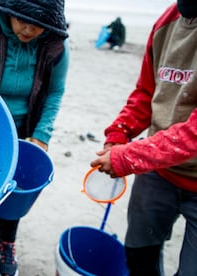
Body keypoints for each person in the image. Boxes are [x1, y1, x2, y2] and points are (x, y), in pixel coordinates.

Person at [0, 0, 69, 275]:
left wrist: (41, 135)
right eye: (22, 20)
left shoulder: (55, 46)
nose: (29, 29)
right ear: (8, 11)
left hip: (23, 131)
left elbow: (54, 92)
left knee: (16, 191)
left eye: (39, 24)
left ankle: (7, 241)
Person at [90, 1, 197, 275]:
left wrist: (128, 157)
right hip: (158, 172)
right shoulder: (167, 22)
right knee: (138, 255)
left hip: (165, 163)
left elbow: (192, 135)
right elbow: (147, 92)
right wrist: (119, 133)